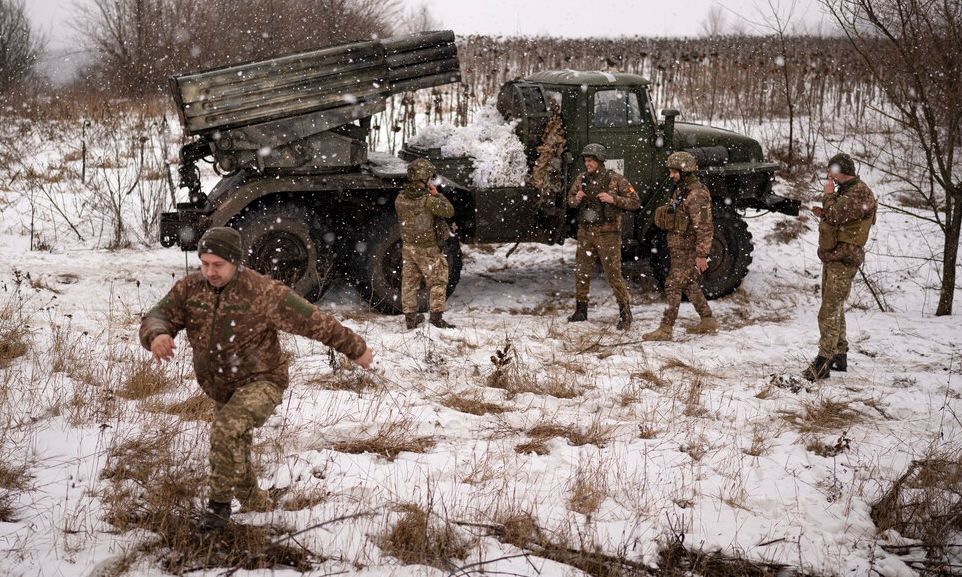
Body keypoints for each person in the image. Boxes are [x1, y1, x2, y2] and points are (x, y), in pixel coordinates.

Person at [139, 227, 373, 531]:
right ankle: (255, 503)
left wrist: (357, 349)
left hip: (262, 381)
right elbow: (157, 315)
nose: (210, 271)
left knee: (225, 431)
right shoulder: (190, 289)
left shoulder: (264, 293)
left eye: (218, 265)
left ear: (235, 262)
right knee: (234, 444)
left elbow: (315, 321)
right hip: (221, 386)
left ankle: (217, 512)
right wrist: (158, 335)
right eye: (205, 263)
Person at [804, 152, 876, 381]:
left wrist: (827, 198)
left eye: (831, 171)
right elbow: (840, 216)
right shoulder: (849, 191)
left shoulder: (858, 192)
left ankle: (823, 362)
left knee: (828, 311)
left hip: (844, 259)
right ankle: (839, 355)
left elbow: (836, 215)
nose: (829, 176)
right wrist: (825, 210)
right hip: (835, 256)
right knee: (834, 307)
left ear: (837, 171)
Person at [643, 151, 717, 342]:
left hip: (688, 248)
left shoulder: (697, 194)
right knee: (689, 283)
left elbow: (705, 227)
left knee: (672, 284)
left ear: (685, 171)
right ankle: (707, 320)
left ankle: (666, 328)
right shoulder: (681, 190)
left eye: (674, 172)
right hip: (678, 246)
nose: (671, 175)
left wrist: (701, 255)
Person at [566, 143, 640, 330]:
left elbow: (635, 202)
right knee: (582, 272)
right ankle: (581, 310)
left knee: (613, 274)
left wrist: (612, 199)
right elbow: (570, 200)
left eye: (590, 160)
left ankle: (625, 313)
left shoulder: (615, 180)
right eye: (585, 160)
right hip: (586, 233)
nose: (587, 163)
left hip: (608, 234)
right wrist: (578, 198)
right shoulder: (581, 179)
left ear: (599, 161)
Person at [396, 158, 457, 330]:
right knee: (437, 281)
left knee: (409, 283)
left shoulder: (400, 198)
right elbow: (449, 211)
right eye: (430, 177)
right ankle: (436, 319)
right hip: (428, 248)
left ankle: (410, 319)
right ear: (424, 178)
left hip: (409, 247)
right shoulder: (428, 200)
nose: (432, 180)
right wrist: (437, 195)